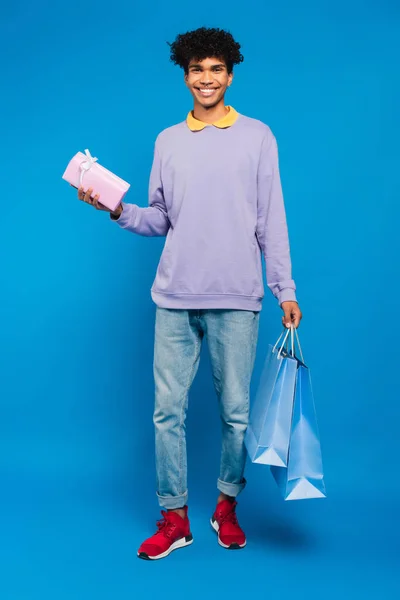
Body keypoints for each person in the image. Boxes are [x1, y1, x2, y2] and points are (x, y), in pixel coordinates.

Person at [75, 26, 302, 560]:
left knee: (235, 413)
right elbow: (161, 218)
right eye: (197, 69)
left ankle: (226, 507)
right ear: (185, 75)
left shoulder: (259, 137)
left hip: (237, 297)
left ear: (230, 74)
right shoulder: (167, 141)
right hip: (174, 297)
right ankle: (175, 518)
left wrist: (284, 287)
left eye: (216, 69)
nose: (206, 78)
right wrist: (115, 209)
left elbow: (273, 220)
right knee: (166, 412)